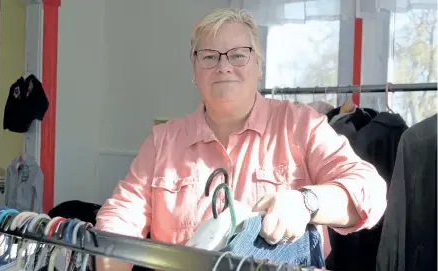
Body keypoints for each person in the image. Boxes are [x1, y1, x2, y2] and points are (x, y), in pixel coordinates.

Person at [95, 8, 387, 271]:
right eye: (209, 56)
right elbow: (120, 216)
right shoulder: (163, 141)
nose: (224, 66)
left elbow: (369, 190)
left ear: (259, 66)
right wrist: (109, 262)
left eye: (238, 55)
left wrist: (306, 202)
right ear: (194, 71)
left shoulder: (301, 124)